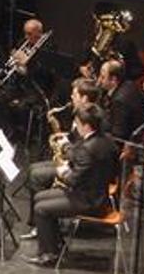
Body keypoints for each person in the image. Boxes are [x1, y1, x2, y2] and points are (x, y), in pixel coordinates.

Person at [24, 104, 118, 267]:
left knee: (41, 209)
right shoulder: (107, 140)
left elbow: (73, 180)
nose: (76, 126)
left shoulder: (89, 148)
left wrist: (62, 172)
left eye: (78, 123)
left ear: (87, 126)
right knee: (39, 197)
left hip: (88, 201)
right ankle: (56, 245)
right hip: (95, 193)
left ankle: (49, 254)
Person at [22, 77, 101, 235]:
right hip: (71, 158)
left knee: (37, 175)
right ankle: (38, 221)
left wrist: (65, 150)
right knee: (32, 169)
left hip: (77, 168)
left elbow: (83, 150)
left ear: (84, 98)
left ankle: (42, 223)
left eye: (75, 94)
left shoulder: (90, 118)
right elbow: (75, 139)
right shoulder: (79, 112)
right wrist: (63, 139)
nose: (71, 97)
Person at [0, 18, 55, 143]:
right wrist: (14, 59)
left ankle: (25, 136)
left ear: (38, 32)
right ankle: (10, 132)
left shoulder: (49, 48)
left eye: (29, 34)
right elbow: (15, 65)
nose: (26, 37)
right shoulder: (23, 42)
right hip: (20, 85)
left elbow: (45, 74)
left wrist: (26, 68)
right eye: (25, 33)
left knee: (21, 107)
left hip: (36, 87)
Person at [99, 59, 144, 141]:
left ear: (113, 79)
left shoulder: (119, 101)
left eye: (102, 77)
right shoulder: (130, 84)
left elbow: (119, 135)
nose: (99, 80)